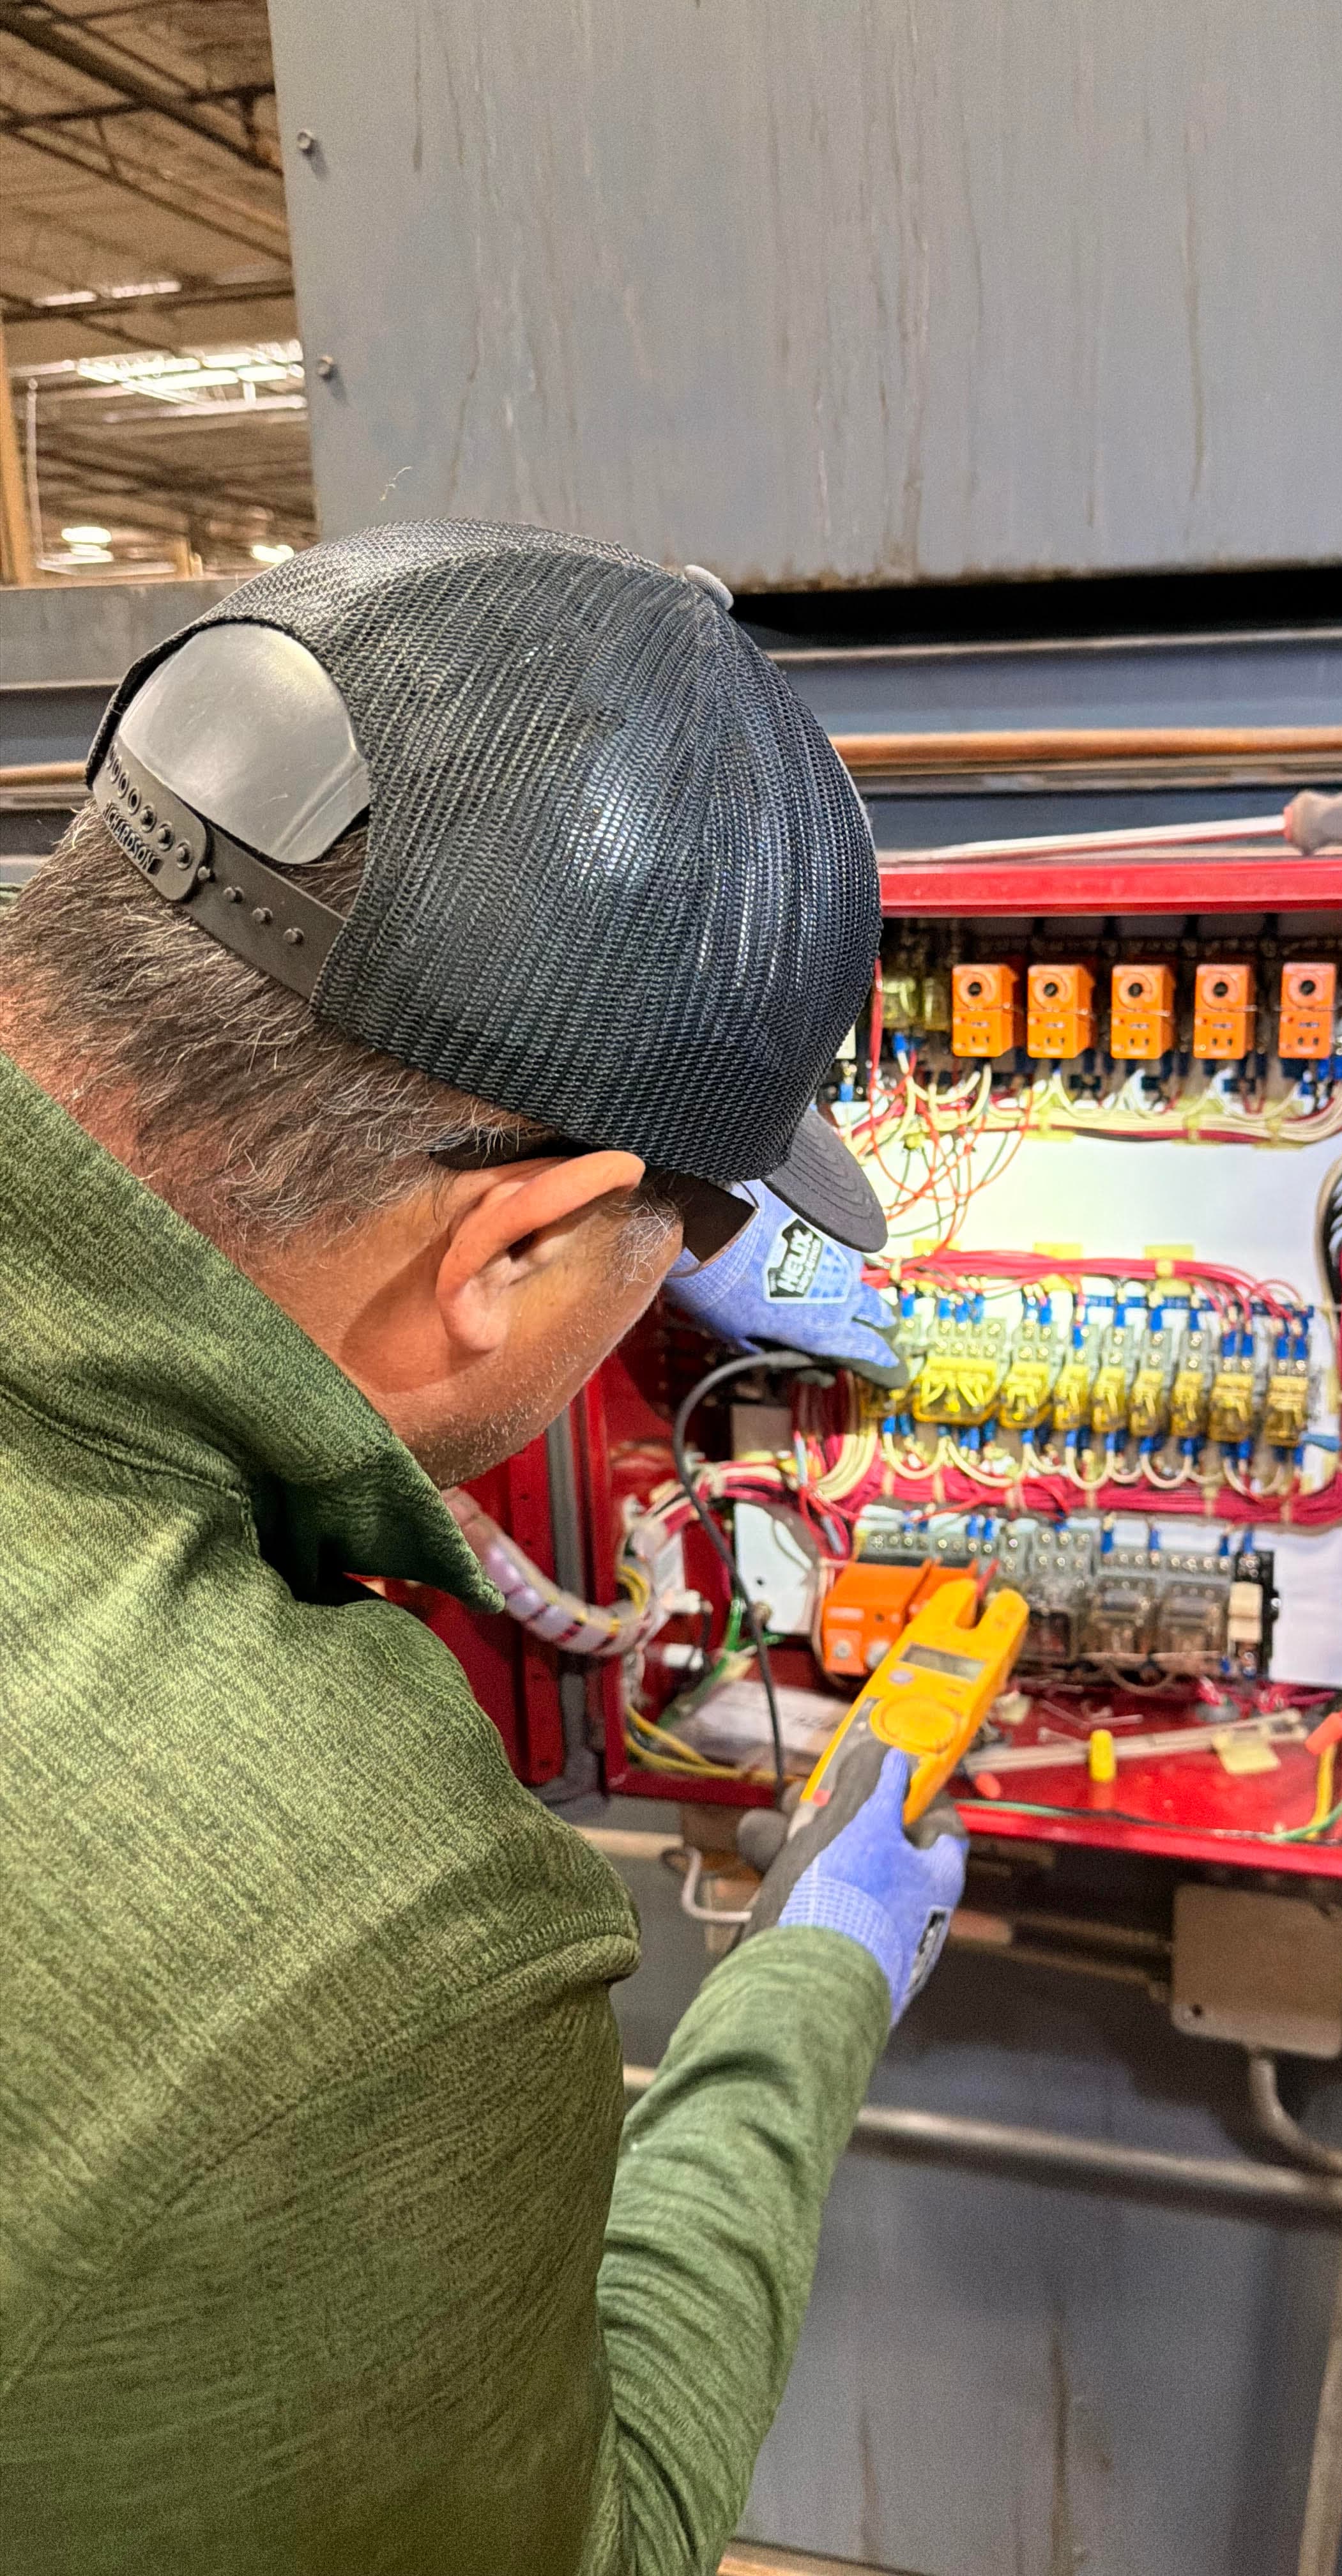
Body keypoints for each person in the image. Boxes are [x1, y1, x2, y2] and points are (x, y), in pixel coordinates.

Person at [0, 521, 963, 2575]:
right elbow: (590, 2538)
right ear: (513, 1250)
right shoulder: (371, 1948)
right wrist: (805, 1996)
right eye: (687, 1240)